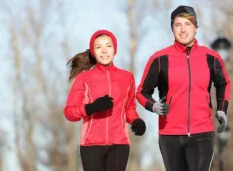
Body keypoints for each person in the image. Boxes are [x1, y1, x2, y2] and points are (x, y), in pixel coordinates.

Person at [136, 5, 230, 171]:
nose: (183, 29)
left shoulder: (211, 58)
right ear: (172, 28)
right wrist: (155, 106)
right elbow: (142, 92)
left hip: (202, 133)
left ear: (195, 27)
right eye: (177, 25)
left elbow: (224, 83)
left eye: (187, 24)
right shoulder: (159, 59)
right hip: (169, 135)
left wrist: (222, 110)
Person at [63, 29, 146, 171]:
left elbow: (129, 108)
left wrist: (136, 121)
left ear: (115, 49)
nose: (104, 50)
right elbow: (69, 112)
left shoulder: (127, 77)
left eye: (108, 45)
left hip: (119, 144)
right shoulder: (84, 78)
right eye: (98, 47)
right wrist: (91, 108)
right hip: (91, 144)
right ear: (93, 52)